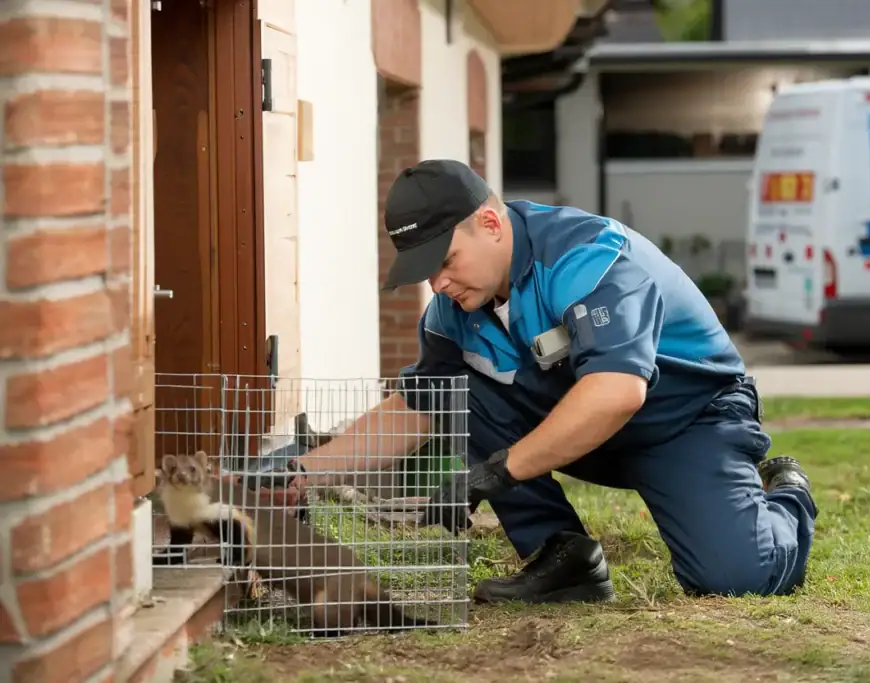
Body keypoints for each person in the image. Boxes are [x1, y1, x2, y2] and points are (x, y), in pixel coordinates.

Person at [286, 159, 818, 604]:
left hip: (687, 422)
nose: (438, 283)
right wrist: (304, 470)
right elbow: (416, 408)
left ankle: (787, 489)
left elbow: (617, 391)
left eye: (445, 260)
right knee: (454, 393)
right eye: (426, 272)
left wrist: (493, 474)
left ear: (490, 224)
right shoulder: (453, 312)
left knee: (736, 577)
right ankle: (562, 556)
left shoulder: (587, 256)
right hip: (585, 430)